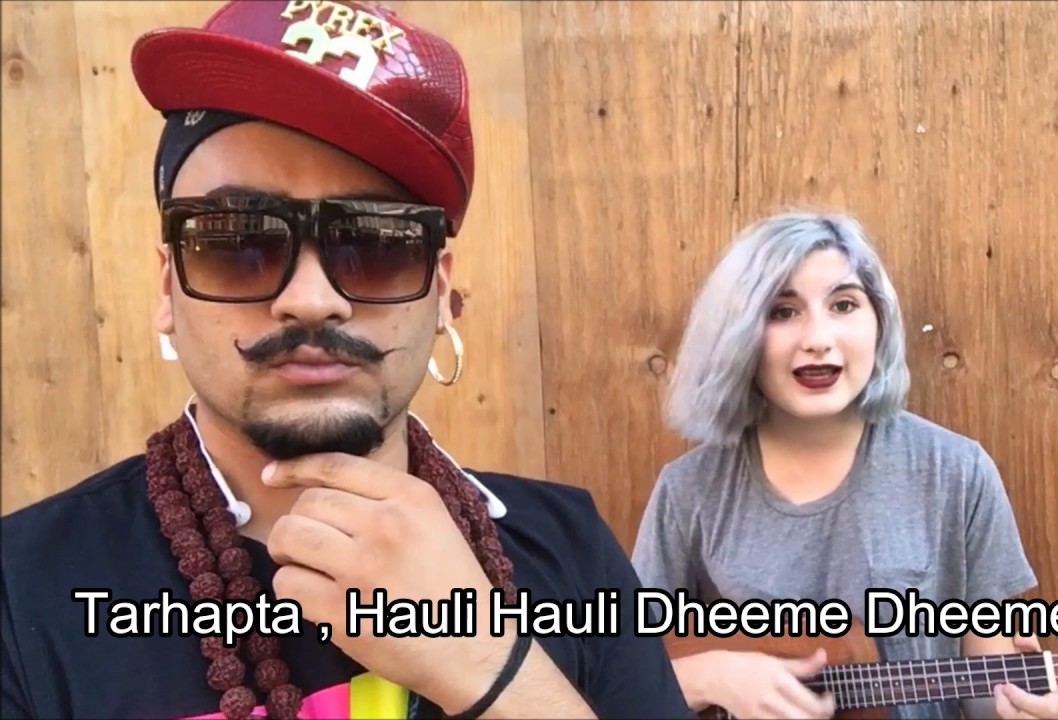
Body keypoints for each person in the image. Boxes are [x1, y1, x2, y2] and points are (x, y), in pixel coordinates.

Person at [0, 2, 693, 718]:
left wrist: (488, 664)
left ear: (441, 293)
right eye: (237, 242)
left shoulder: (566, 544)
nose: (311, 300)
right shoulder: (22, 591)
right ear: (167, 287)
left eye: (377, 243)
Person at [630, 210, 1058, 720]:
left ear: (879, 322)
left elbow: (987, 687)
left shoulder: (956, 472)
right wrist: (712, 675)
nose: (818, 338)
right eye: (782, 311)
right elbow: (625, 672)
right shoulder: (689, 489)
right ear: (737, 337)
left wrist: (1024, 712)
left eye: (844, 304)